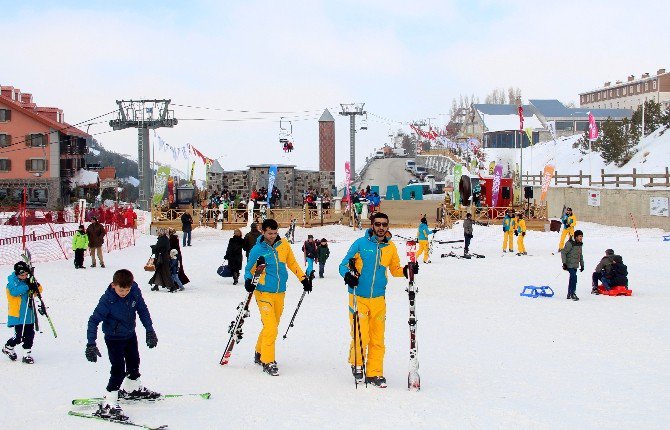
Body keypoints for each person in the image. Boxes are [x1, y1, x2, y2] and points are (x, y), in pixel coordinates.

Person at [338, 212, 415, 388]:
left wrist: (407, 270)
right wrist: (348, 276)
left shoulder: (390, 248)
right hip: (359, 296)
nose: (381, 228)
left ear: (388, 226)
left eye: (384, 224)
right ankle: (357, 362)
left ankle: (375, 372)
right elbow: (343, 265)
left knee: (377, 338)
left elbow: (395, 269)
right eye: (378, 224)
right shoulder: (360, 244)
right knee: (361, 334)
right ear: (372, 225)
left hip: (379, 298)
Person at [85, 269, 159, 420]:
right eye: (121, 289)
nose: (124, 292)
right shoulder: (107, 300)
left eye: (127, 289)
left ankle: (132, 389)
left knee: (134, 362)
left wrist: (150, 330)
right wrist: (91, 344)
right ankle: (109, 401)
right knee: (118, 369)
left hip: (130, 334)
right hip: (114, 338)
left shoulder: (134, 291)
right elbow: (93, 321)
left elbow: (142, 310)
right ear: (114, 285)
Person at [244, 218, 311, 376]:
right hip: (263, 292)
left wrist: (303, 279)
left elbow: (292, 263)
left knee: (271, 326)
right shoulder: (257, 250)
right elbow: (248, 269)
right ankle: (268, 360)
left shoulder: (284, 245)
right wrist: (248, 281)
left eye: (275, 233)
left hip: (280, 293)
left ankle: (259, 352)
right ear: (263, 231)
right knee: (271, 327)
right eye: (270, 233)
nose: (273, 236)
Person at [2, 261, 42, 364]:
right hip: (17, 315)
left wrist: (35, 285)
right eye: (22, 275)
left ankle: (26, 355)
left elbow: (39, 290)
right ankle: (8, 347)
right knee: (19, 336)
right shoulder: (11, 283)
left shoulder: (27, 281)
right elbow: (14, 292)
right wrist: (27, 286)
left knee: (29, 335)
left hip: (29, 315)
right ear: (17, 273)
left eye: (26, 275)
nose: (24, 276)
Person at [560, 229, 584, 301]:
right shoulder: (570, 243)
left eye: (582, 236)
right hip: (569, 264)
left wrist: (582, 265)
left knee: (572, 278)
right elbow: (563, 252)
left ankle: (569, 293)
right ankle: (573, 293)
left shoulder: (580, 244)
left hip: (575, 265)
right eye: (580, 236)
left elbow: (580, 255)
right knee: (574, 277)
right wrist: (564, 263)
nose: (581, 238)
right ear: (576, 236)